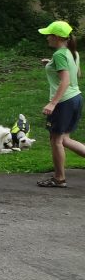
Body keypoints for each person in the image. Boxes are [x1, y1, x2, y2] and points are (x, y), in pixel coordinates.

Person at [37, 20, 85, 188]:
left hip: (64, 102)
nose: (47, 38)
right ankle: (59, 177)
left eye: (49, 35)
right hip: (76, 98)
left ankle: (59, 178)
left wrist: (52, 103)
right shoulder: (73, 52)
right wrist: (50, 65)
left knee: (56, 140)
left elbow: (65, 81)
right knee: (65, 139)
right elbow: (76, 73)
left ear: (56, 37)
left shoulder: (59, 55)